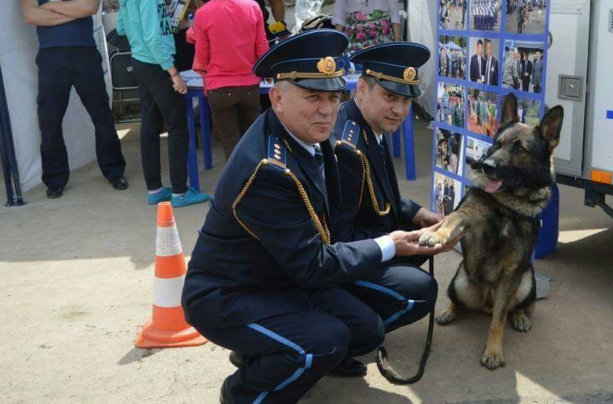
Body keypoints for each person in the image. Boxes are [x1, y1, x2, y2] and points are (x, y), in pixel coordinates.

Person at [181, 30, 457, 404]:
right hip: (232, 293)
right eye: (312, 97)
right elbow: (315, 262)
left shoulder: (310, 136)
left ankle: (263, 352)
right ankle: (242, 394)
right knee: (322, 342)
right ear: (276, 98)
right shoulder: (269, 169)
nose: (327, 110)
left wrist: (403, 227)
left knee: (363, 332)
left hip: (282, 274)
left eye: (332, 97)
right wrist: (389, 244)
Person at [20, 0, 127, 199]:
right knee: (50, 122)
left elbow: (89, 8)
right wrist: (74, 12)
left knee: (102, 117)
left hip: (84, 52)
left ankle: (115, 171)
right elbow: (31, 16)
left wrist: (49, 6)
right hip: (51, 57)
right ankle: (55, 179)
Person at [117, 0, 210, 207]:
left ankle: (155, 189)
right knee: (177, 125)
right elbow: (152, 37)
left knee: (150, 124)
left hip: (140, 59)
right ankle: (180, 191)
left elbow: (122, 28)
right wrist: (173, 72)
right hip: (156, 63)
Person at [192, 0, 269, 161]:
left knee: (230, 141)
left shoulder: (203, 13)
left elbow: (202, 57)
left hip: (219, 87)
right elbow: (262, 46)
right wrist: (267, 71)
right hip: (249, 85)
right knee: (252, 140)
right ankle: (254, 182)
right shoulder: (253, 7)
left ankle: (235, 184)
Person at [333, 0, 401, 52]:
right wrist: (336, 48)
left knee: (382, 67)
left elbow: (394, 13)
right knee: (355, 67)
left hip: (381, 36)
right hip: (355, 37)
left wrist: (397, 44)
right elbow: (339, 16)